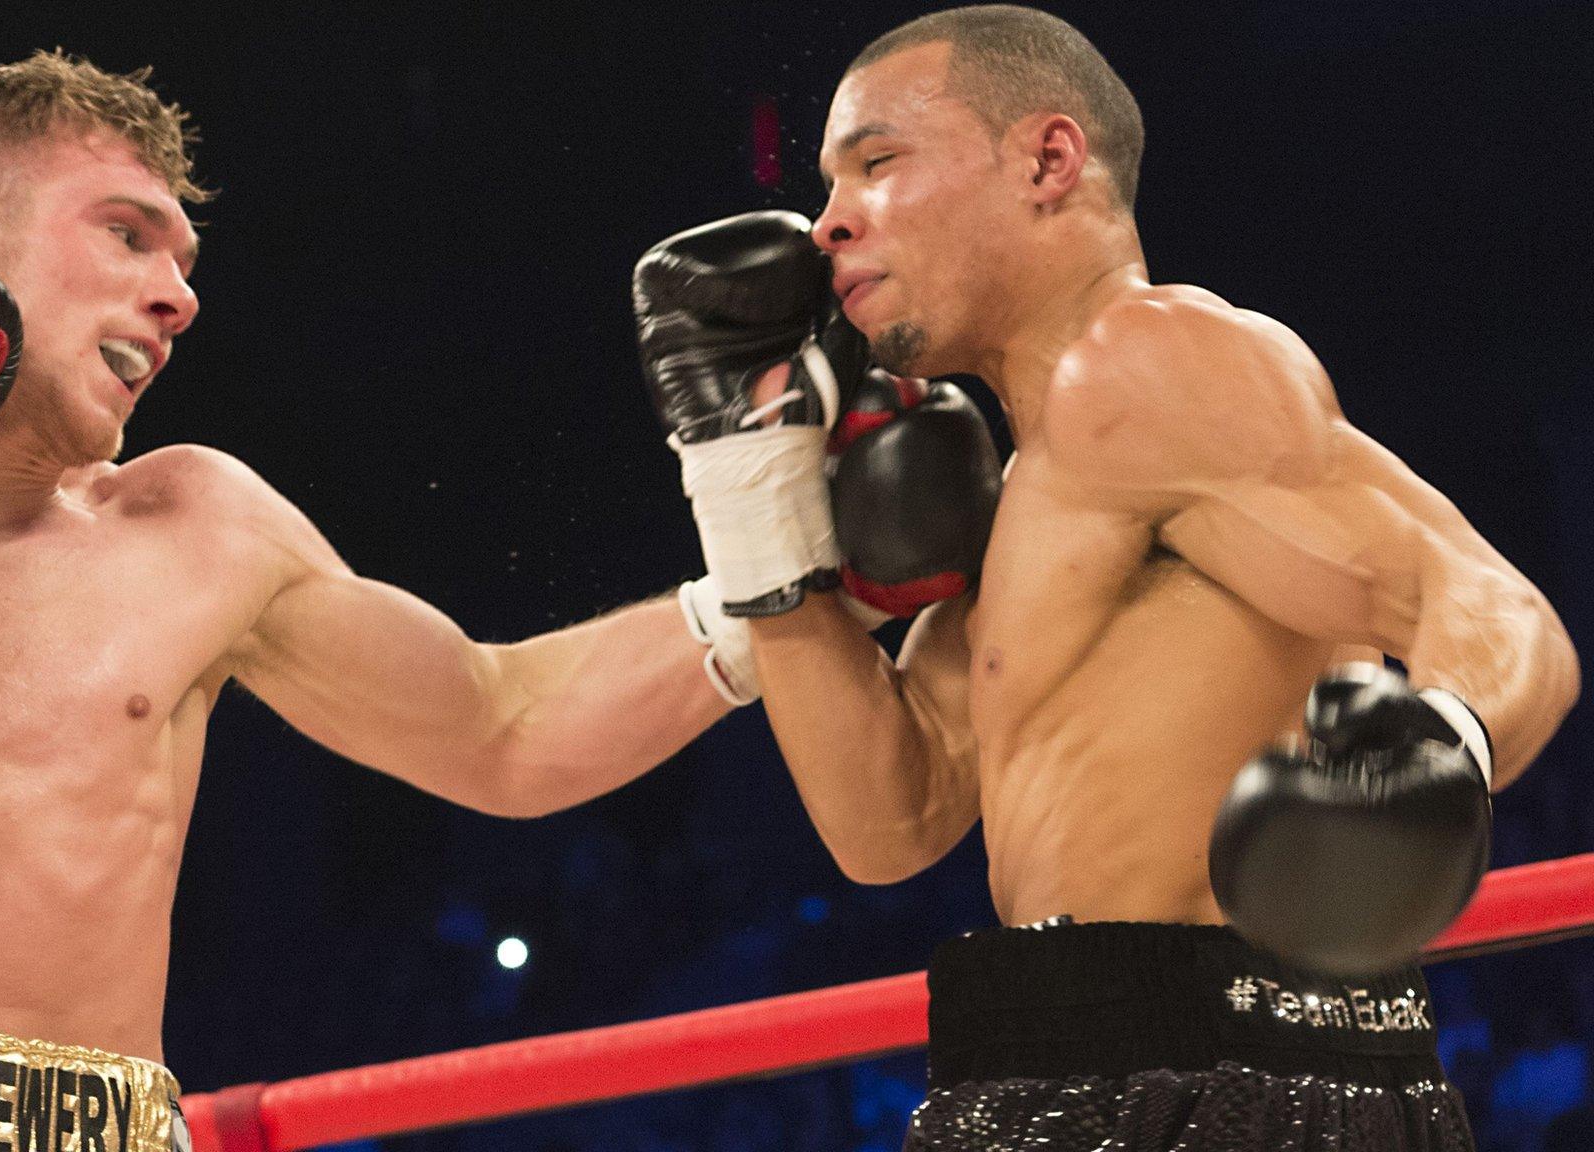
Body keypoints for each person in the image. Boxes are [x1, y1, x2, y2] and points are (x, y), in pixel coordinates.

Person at [0, 52, 739, 1151]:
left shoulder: (198, 525)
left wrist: (769, 577)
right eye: (127, 236)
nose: (174, 297)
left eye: (181, 263)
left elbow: (501, 728)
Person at [637, 6, 1580, 1149]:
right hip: (1047, 1061)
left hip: (1233, 1068)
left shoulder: (1148, 361)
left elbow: (1482, 602)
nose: (826, 223)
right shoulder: (1022, 490)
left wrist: (1435, 754)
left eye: (876, 164)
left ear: (1046, 160)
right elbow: (887, 820)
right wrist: (751, 492)